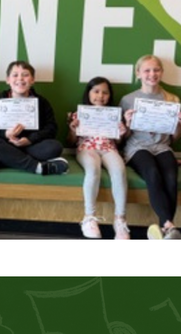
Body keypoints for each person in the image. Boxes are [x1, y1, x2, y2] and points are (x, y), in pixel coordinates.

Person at [120, 54, 181, 240]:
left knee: (170, 174)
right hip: (137, 147)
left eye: (156, 70)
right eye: (147, 70)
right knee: (151, 171)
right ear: (138, 74)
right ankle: (169, 225)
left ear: (162, 72)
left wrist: (179, 124)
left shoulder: (172, 99)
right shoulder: (128, 99)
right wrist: (126, 124)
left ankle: (165, 228)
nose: (152, 74)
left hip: (162, 146)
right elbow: (123, 138)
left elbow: (174, 138)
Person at [67, 77, 129, 240]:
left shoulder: (114, 115)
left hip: (108, 148)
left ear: (109, 96)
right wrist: (73, 130)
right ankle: (89, 217)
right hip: (87, 148)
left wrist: (122, 133)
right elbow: (70, 142)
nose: (100, 96)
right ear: (89, 93)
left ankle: (120, 220)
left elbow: (118, 142)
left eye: (105, 93)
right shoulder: (79, 113)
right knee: (93, 169)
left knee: (119, 169)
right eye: (96, 91)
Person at [0, 61, 66, 176]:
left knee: (55, 147)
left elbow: (51, 128)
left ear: (32, 80)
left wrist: (30, 139)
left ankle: (3, 161)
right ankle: (37, 167)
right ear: (7, 80)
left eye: (25, 75)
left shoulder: (41, 102)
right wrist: (5, 134)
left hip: (32, 146)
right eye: (15, 75)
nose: (20, 79)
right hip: (6, 145)